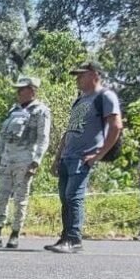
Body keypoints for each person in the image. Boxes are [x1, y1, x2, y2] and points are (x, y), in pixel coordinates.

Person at [46, 61, 122, 253]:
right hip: (67, 156)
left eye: (81, 74)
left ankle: (74, 239)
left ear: (94, 75)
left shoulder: (105, 96)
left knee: (74, 196)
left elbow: (116, 126)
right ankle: (65, 237)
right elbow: (69, 131)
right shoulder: (80, 100)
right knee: (65, 198)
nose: (77, 78)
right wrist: (57, 157)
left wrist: (98, 154)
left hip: (83, 157)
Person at [0, 76, 52, 249]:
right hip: (6, 160)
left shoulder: (41, 111)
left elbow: (43, 138)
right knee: (0, 199)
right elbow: (2, 138)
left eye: (22, 89)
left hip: (25, 161)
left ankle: (15, 234)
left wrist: (36, 161)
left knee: (20, 199)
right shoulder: (13, 110)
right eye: (18, 89)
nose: (18, 92)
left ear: (32, 90)